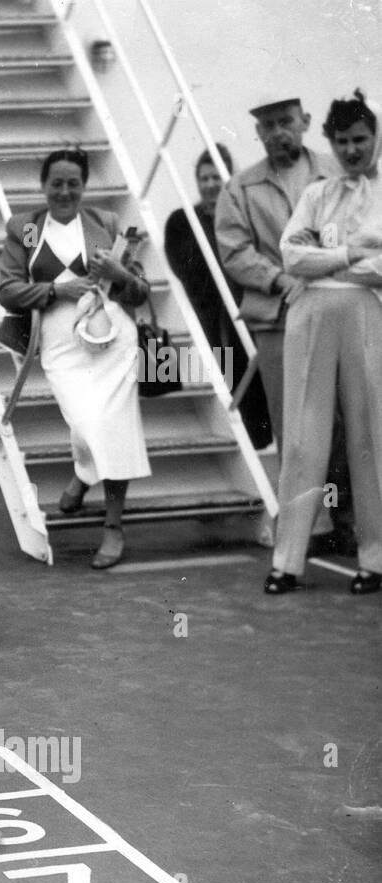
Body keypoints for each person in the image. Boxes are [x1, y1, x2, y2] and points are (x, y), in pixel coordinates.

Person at [0, 148, 152, 569]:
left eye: (73, 183)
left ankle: (113, 527)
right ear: (44, 185)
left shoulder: (107, 224)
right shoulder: (27, 229)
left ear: (84, 186)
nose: (65, 191)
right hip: (60, 341)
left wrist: (119, 275)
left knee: (114, 427)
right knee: (86, 423)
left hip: (112, 336)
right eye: (57, 183)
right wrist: (55, 291)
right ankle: (84, 475)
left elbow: (140, 291)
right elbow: (8, 289)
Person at [215, 92, 354, 553]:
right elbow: (234, 250)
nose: (278, 132)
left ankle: (344, 517)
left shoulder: (339, 174)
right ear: (257, 133)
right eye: (268, 125)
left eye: (286, 122)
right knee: (294, 426)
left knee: (345, 419)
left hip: (337, 308)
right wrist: (279, 281)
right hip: (277, 318)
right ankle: (305, 527)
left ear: (305, 121)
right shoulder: (242, 188)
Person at [264, 91, 382, 596]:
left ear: (375, 139)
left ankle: (375, 559)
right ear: (330, 143)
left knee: (370, 435)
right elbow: (292, 256)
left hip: (363, 314)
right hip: (310, 316)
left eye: (361, 140)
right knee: (302, 438)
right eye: (343, 142)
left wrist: (328, 254)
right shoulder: (316, 193)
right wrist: (352, 252)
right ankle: (287, 559)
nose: (353, 150)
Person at [164, 144, 272, 449]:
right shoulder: (182, 221)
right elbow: (184, 269)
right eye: (205, 178)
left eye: (217, 177)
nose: (211, 184)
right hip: (211, 311)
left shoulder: (245, 217)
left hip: (246, 310)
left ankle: (258, 438)